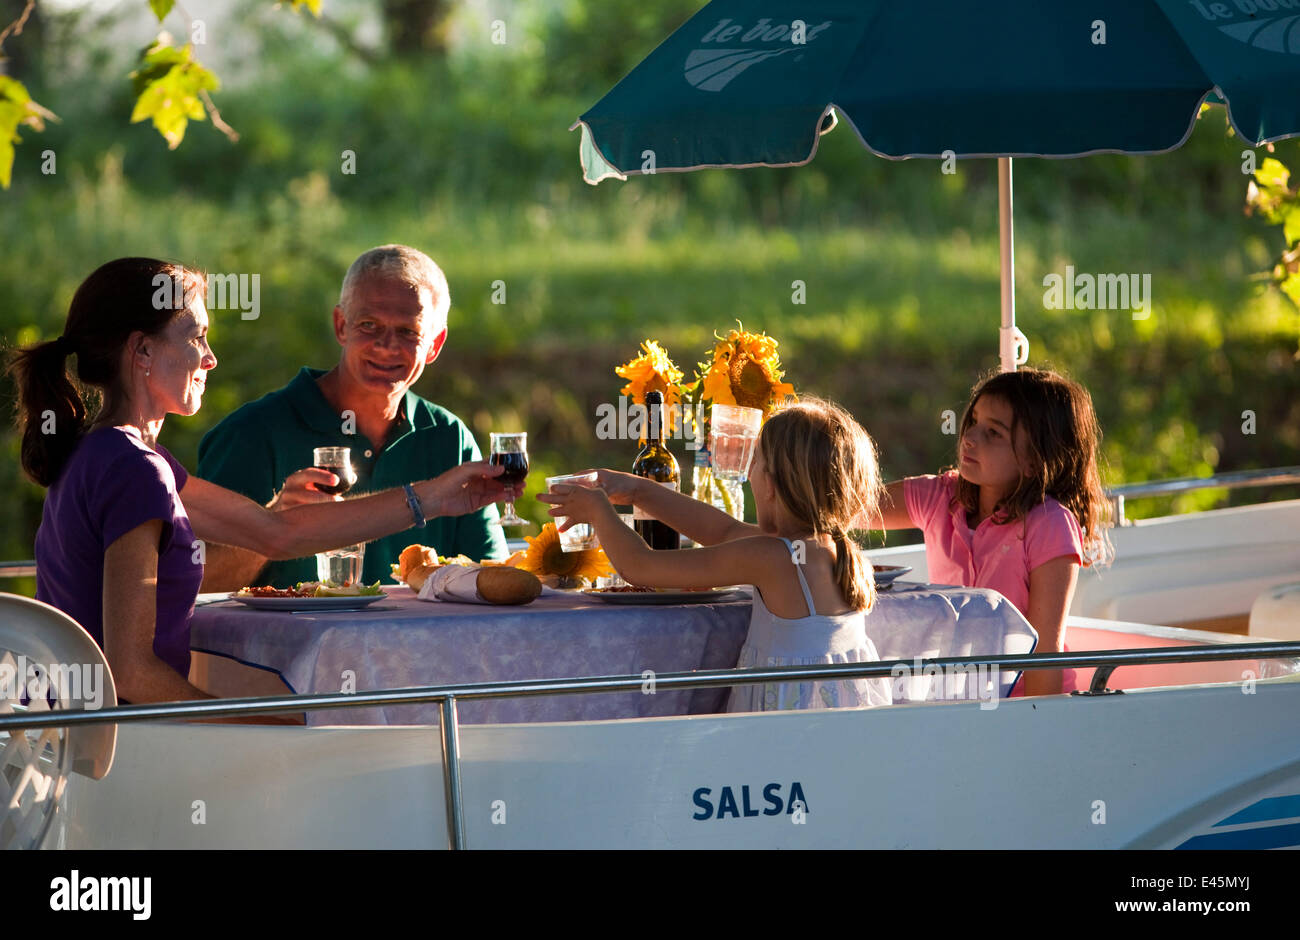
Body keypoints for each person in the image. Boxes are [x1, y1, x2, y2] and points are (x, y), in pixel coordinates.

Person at [7, 257, 508, 707]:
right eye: (196, 336)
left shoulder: (118, 453)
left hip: (69, 739)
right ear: (141, 352)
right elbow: (131, 676)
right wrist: (260, 723)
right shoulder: (134, 467)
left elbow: (275, 535)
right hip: (115, 749)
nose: (211, 358)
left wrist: (435, 497)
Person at [541, 398, 892, 712]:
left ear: (770, 485)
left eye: (754, 463)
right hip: (841, 729)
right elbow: (723, 531)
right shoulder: (832, 549)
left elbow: (641, 567)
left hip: (786, 733)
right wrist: (638, 490)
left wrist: (600, 513)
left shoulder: (772, 557)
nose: (749, 473)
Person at [196, 244, 508, 591]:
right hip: (290, 646)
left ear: (434, 344)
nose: (387, 345)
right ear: (341, 325)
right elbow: (197, 584)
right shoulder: (250, 434)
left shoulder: (450, 437)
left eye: (408, 331)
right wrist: (272, 526)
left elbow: (488, 578)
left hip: (421, 645)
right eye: (369, 325)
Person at [875, 368, 1113, 696]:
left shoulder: (1049, 524)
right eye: (972, 422)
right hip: (953, 696)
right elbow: (848, 504)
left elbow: (1046, 648)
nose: (970, 437)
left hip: (1022, 704)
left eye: (994, 433)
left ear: (1034, 460)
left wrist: (1039, 725)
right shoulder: (940, 497)